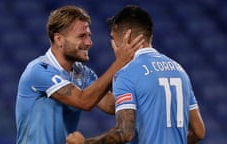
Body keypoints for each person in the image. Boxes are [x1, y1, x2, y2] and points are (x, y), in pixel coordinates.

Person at [66, 5, 206, 144]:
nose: (112, 45)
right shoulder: (179, 70)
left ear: (127, 37)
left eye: (113, 39)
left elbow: (125, 133)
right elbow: (198, 131)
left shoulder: (127, 73)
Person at [15, 5, 144, 144]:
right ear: (59, 39)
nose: (89, 42)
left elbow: (110, 105)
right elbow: (84, 101)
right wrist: (120, 63)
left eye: (89, 36)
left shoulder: (82, 73)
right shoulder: (39, 70)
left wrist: (140, 77)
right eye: (82, 36)